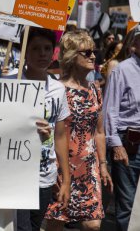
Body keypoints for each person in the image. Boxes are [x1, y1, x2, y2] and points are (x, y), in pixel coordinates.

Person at [45, 30, 113, 231]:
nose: (93, 56)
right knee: (56, 223)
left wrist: (102, 164)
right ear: (71, 56)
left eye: (93, 51)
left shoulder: (95, 89)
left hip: (88, 166)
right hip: (61, 165)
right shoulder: (57, 89)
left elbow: (99, 132)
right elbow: (51, 132)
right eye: (87, 52)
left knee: (92, 225)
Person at [9, 27, 70, 231]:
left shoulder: (58, 89)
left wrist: (65, 180)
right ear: (24, 52)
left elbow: (61, 136)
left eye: (47, 48)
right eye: (35, 48)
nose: (42, 54)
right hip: (15, 175)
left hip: (45, 175)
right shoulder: (10, 83)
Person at [103, 25, 140, 231]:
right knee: (128, 204)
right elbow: (110, 111)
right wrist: (117, 146)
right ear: (135, 44)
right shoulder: (122, 70)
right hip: (130, 144)